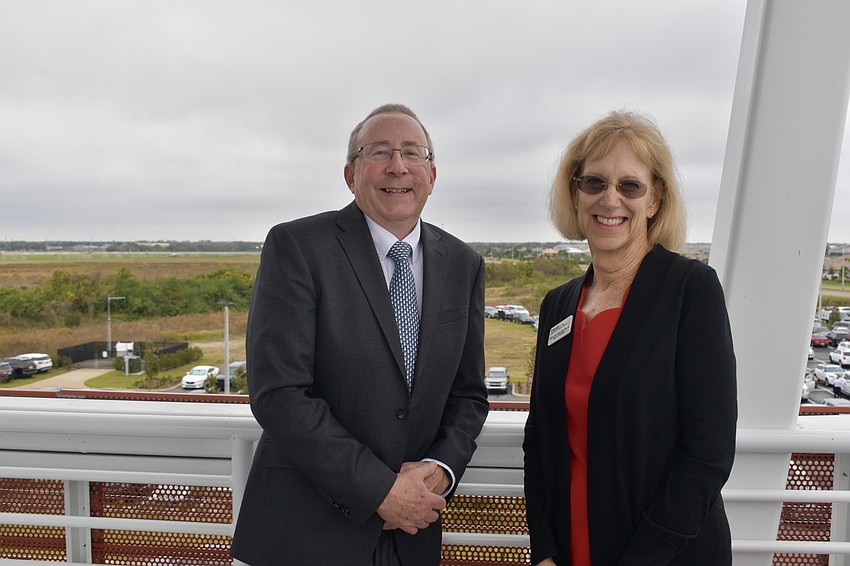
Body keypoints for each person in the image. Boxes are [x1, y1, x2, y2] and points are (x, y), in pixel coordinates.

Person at [230, 104, 489, 566]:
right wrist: (379, 489)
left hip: (412, 536)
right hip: (306, 536)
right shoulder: (297, 247)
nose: (398, 166)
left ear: (432, 174)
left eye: (413, 153)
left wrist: (442, 469)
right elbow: (279, 393)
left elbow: (468, 394)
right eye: (379, 153)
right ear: (350, 175)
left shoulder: (464, 265)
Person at [523, 111, 738, 566]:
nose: (610, 199)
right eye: (594, 183)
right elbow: (539, 438)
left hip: (666, 555)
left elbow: (708, 456)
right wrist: (543, 548)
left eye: (630, 186)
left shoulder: (691, 291)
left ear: (655, 199)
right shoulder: (557, 306)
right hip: (571, 549)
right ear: (575, 193)